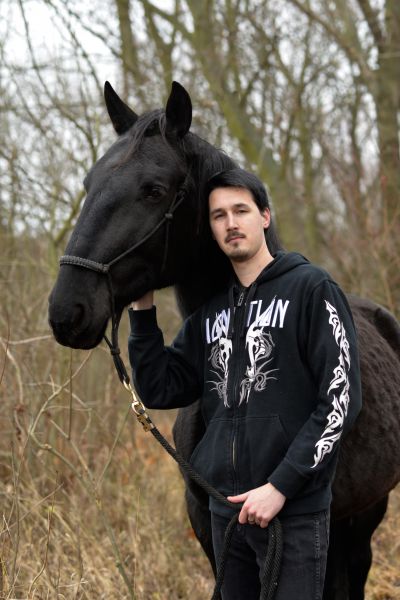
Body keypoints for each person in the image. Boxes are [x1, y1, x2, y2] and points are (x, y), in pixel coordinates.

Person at [128, 168, 362, 600]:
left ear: (265, 216)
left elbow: (340, 400)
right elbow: (161, 388)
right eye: (219, 216)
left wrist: (280, 487)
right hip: (227, 513)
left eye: (241, 210)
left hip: (291, 512)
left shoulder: (312, 289)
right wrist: (142, 309)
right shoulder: (211, 311)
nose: (231, 223)